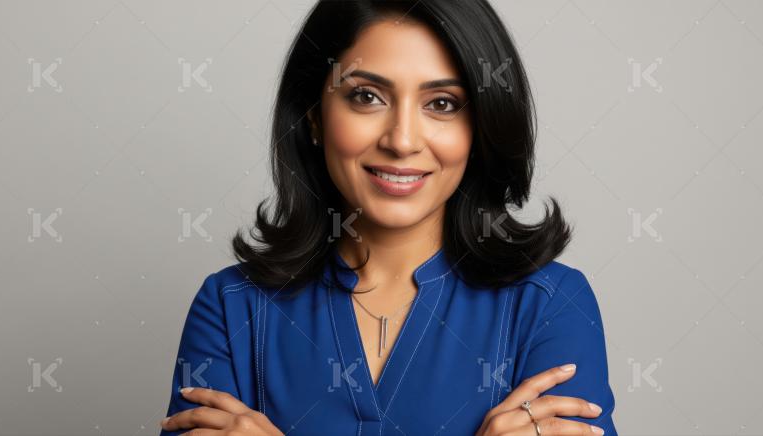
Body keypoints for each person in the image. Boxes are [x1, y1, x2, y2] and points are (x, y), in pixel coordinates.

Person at [159, 1, 617, 435]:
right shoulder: (230, 307)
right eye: (366, 96)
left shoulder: (550, 305)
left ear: (480, 126)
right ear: (315, 116)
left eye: (442, 103)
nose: (402, 141)